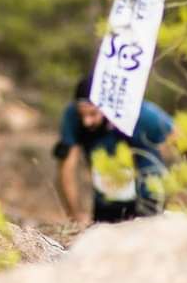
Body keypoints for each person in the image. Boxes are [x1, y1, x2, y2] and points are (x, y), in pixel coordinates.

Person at [54, 75, 174, 225]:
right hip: (107, 197)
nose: (86, 122)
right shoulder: (72, 116)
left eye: (93, 114)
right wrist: (75, 216)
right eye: (82, 114)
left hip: (147, 195)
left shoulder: (143, 114)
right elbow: (66, 168)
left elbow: (183, 139)